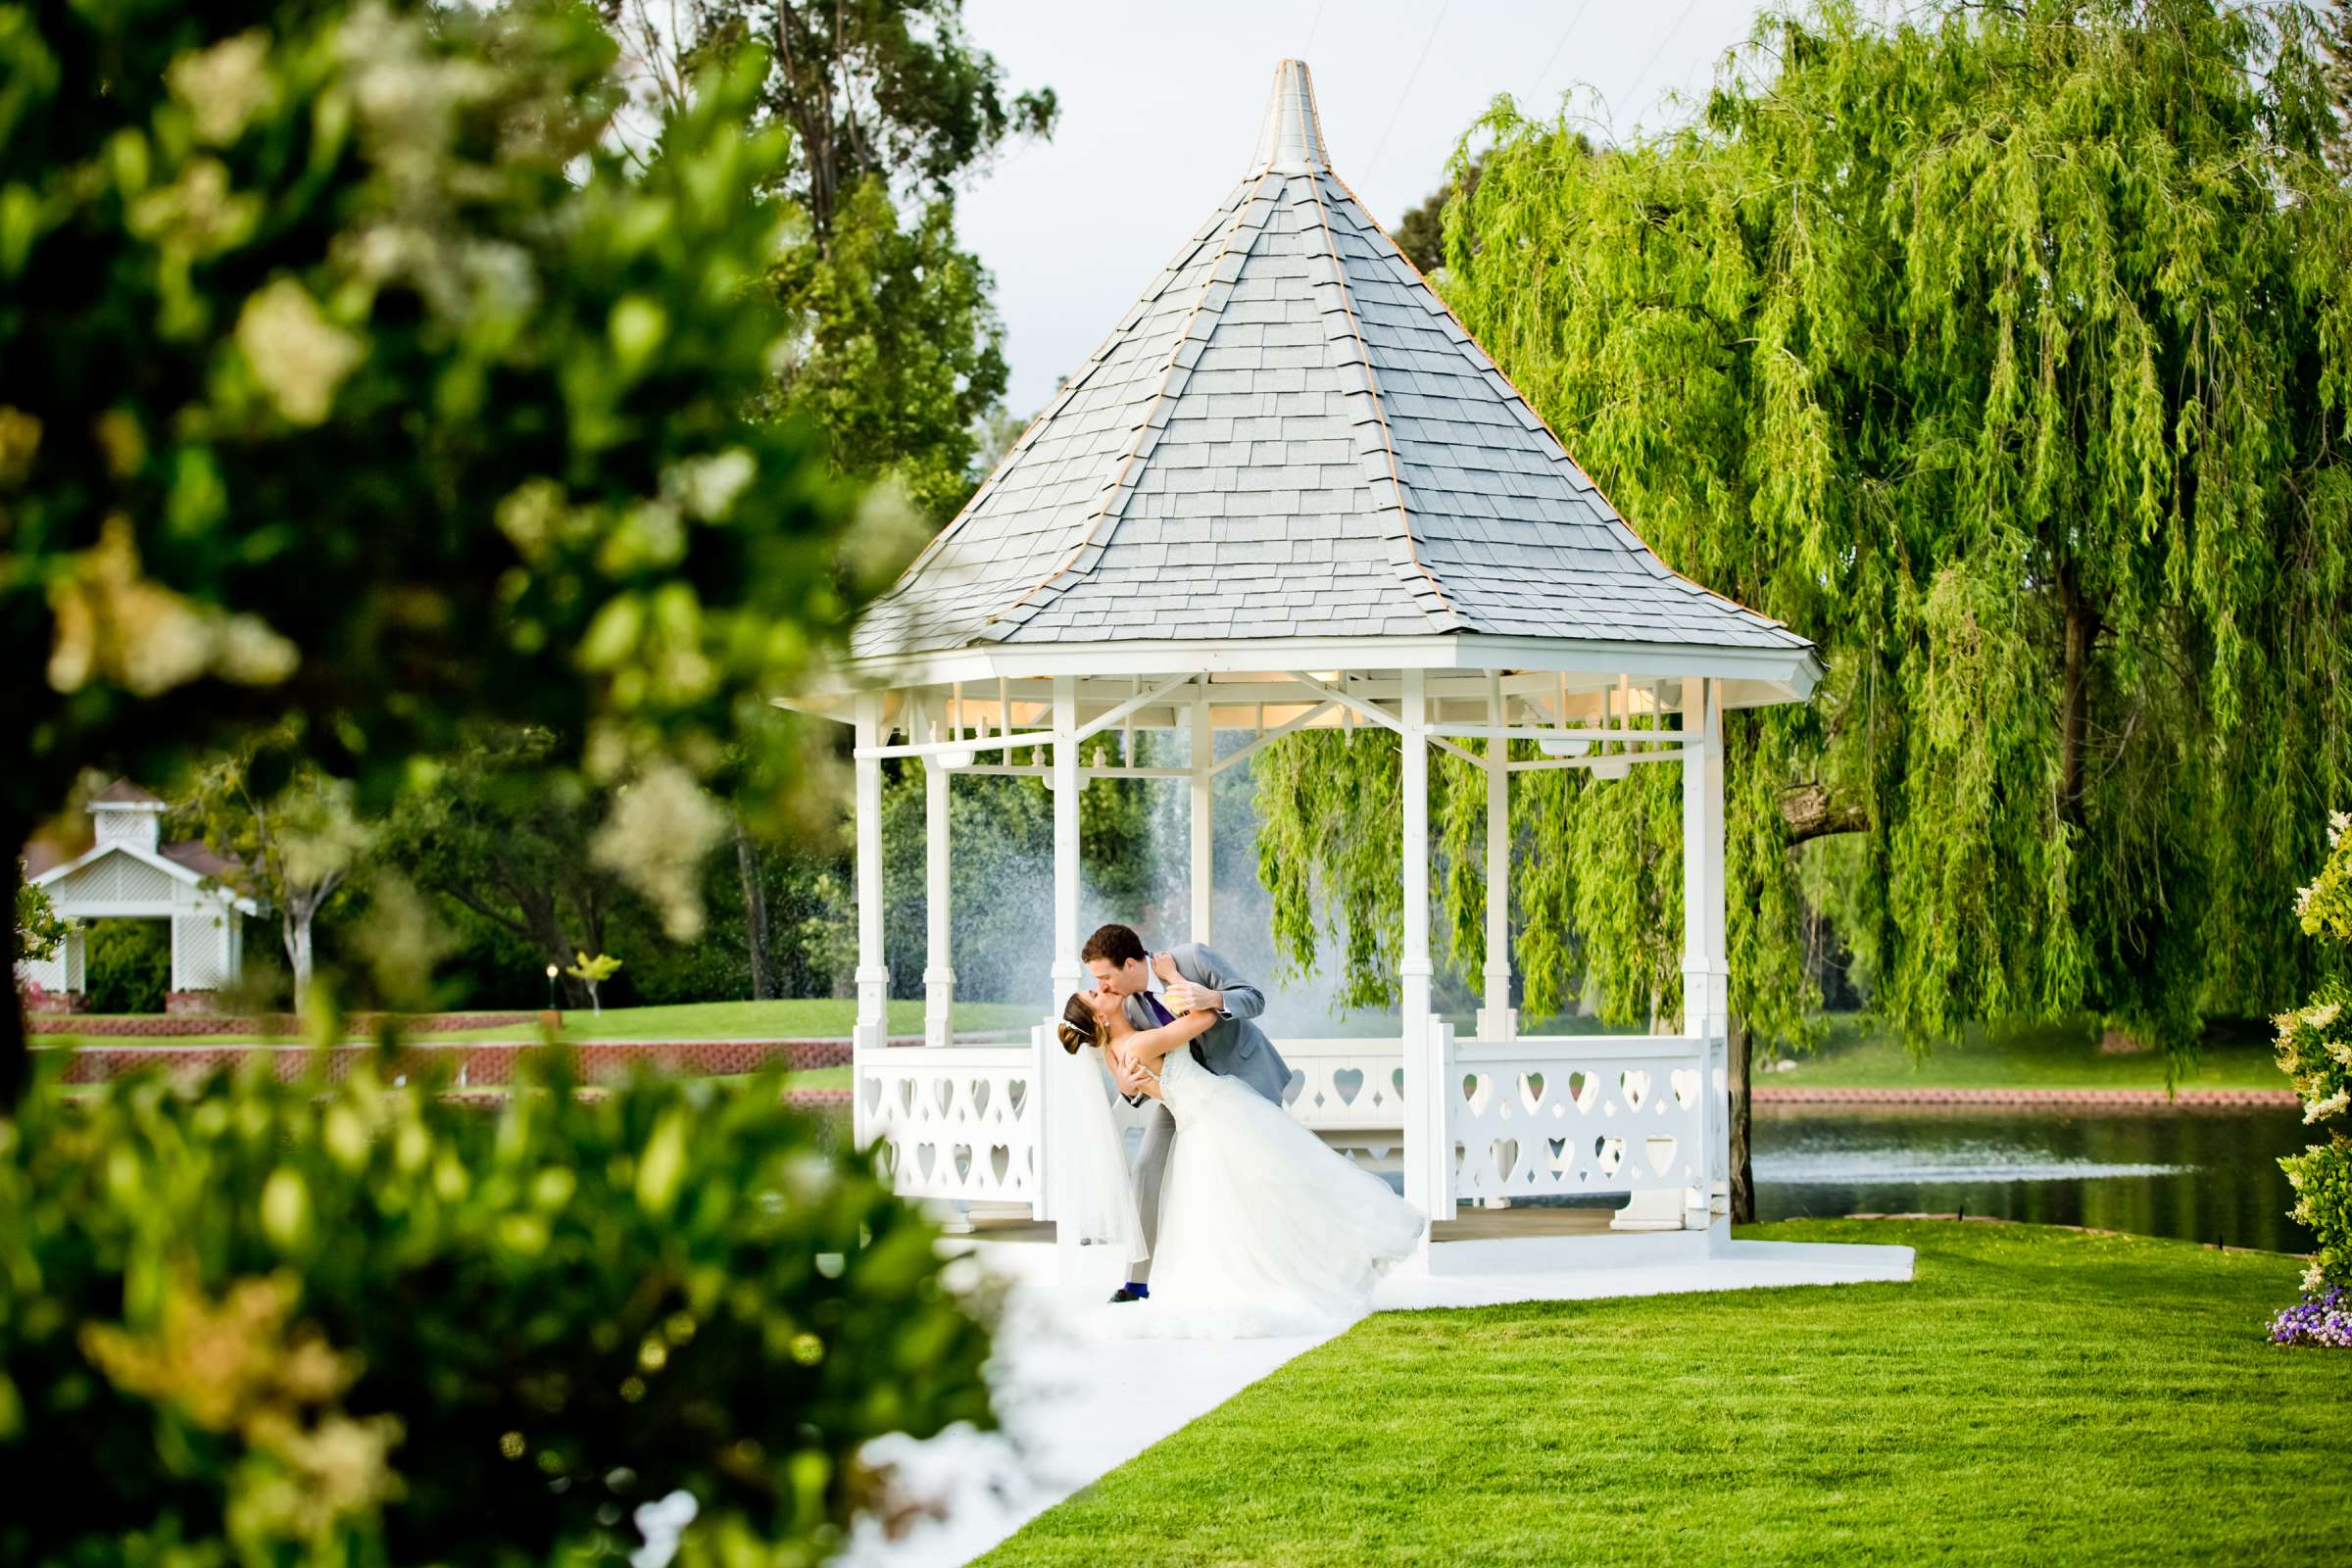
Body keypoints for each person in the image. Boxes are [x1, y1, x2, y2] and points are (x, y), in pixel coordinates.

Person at [1056, 981, 1424, 1337]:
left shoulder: (1113, 1054)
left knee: (1256, 1202)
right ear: (1099, 1019)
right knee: (1292, 1180)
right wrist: (1178, 980)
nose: (1101, 988)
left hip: (1194, 1129)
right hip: (1221, 1112)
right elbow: (1204, 1020)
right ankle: (1345, 1259)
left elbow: (1132, 1080)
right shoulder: (1141, 1042)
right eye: (1094, 995)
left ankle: (1312, 1268)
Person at [1078, 923, 1290, 1303]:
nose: (1103, 987)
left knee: (1266, 1171)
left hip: (1243, 1076)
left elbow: (1255, 999)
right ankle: (1136, 1281)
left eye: (1105, 977)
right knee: (1146, 1168)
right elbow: (1131, 1054)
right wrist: (1127, 1089)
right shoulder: (1125, 1004)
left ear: (1129, 964)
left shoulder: (1191, 957)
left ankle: (1280, 1264)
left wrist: (1210, 996)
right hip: (1184, 1094)